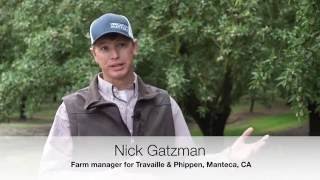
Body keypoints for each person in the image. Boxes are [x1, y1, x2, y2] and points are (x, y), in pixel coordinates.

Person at [48, 13, 190, 137]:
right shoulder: (71, 110)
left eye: (121, 45)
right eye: (105, 48)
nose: (115, 55)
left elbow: (187, 163)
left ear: (134, 47)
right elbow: (54, 168)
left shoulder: (165, 104)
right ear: (94, 54)